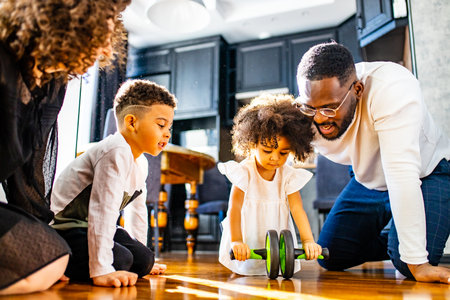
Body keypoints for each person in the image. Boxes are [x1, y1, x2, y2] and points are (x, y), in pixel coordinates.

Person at [0, 0, 132, 295]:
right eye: (96, 37)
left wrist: (43, 239)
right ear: (62, 23)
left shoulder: (52, 85)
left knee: (71, 255)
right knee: (48, 258)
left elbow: (31, 170)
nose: (102, 51)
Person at [295, 41, 450, 284]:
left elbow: (401, 174)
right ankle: (397, 239)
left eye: (329, 108)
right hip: (370, 178)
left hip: (426, 172)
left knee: (409, 265)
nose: (318, 118)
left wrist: (417, 263)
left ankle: (402, 243)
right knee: (329, 256)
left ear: (357, 90)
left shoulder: (392, 88)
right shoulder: (305, 110)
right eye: (310, 107)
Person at [50, 79, 175, 287]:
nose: (167, 133)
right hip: (64, 229)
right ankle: (54, 261)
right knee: (122, 260)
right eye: (161, 125)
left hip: (90, 226)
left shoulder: (141, 163)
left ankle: (103, 260)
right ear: (131, 122)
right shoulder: (114, 151)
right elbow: (103, 210)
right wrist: (101, 269)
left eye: (169, 127)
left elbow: (137, 211)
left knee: (144, 259)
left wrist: (142, 253)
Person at [218, 94, 322, 276]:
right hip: (247, 234)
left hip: (278, 238)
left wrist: (308, 241)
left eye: (283, 153)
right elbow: (234, 209)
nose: (275, 158)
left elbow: (298, 209)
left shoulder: (287, 175)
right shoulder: (244, 172)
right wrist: (236, 241)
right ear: (252, 144)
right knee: (245, 273)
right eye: (267, 151)